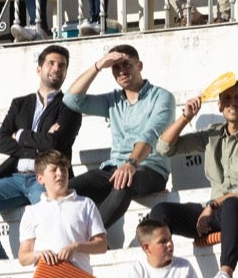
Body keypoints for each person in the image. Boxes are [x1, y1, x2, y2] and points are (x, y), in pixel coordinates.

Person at [149, 82, 238, 278]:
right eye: (227, 99)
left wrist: (212, 206)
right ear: (220, 105)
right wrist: (186, 117)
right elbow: (164, 148)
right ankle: (162, 270)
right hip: (214, 212)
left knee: (231, 203)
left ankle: (225, 273)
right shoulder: (212, 134)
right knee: (161, 212)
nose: (233, 103)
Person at [63, 45, 176, 229]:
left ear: (139, 66)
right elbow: (71, 100)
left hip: (150, 170)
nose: (121, 71)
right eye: (116, 67)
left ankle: (94, 236)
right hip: (114, 168)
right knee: (66, 190)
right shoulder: (112, 100)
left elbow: (150, 136)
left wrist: (131, 164)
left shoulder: (162, 97)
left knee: (124, 182)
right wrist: (98, 65)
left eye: (127, 65)